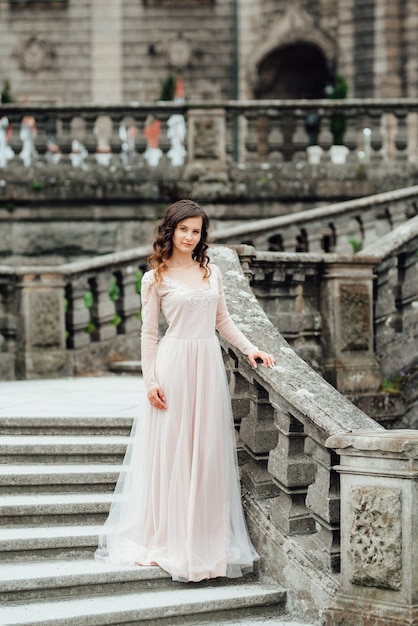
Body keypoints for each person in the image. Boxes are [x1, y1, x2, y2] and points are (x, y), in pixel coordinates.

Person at [95, 199, 275, 582]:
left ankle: (203, 538)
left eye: (196, 231)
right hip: (173, 363)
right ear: (171, 230)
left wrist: (250, 348)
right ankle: (169, 537)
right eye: (184, 230)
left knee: (205, 450)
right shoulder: (154, 278)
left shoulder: (210, 272)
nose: (190, 237)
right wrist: (150, 380)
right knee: (174, 452)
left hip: (206, 364)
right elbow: (148, 334)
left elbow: (223, 320)